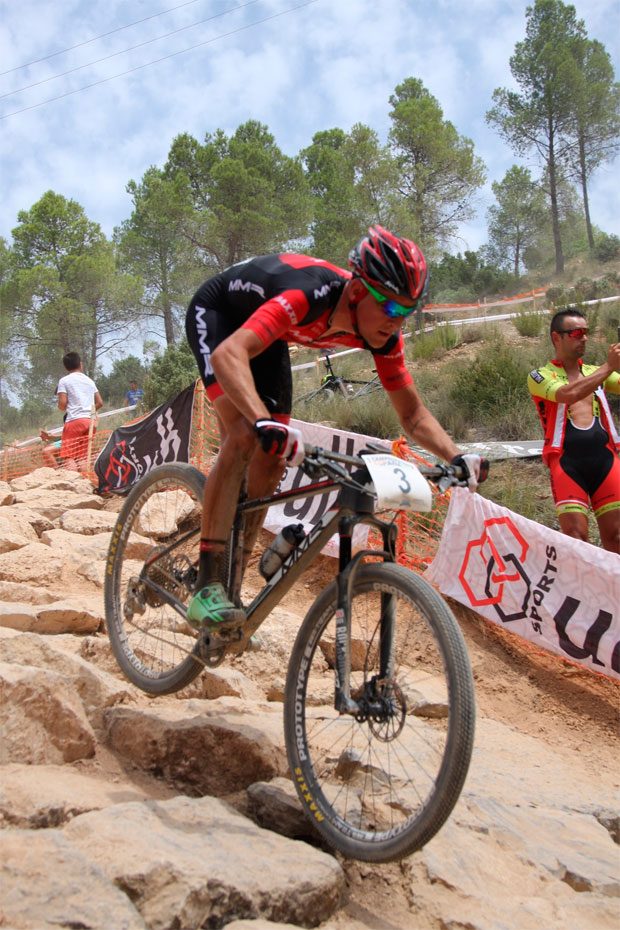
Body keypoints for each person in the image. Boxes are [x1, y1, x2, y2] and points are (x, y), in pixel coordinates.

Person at [185, 225, 489, 632]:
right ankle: (206, 585)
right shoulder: (307, 295)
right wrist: (260, 421)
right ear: (360, 290)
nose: (397, 323)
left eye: (408, 312)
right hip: (220, 314)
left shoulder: (383, 336)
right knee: (243, 436)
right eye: (392, 309)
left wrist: (456, 457)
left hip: (269, 333)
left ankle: (233, 577)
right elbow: (228, 354)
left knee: (272, 457)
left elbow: (412, 415)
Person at [527, 307, 620, 553]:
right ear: (557, 338)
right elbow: (568, 394)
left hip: (605, 459)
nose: (584, 338)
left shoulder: (594, 372)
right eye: (577, 332)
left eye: (586, 332)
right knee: (577, 539)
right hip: (567, 463)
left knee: (617, 537)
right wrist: (608, 367)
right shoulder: (539, 375)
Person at [56, 352, 103, 471]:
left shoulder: (64, 381)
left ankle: (72, 485)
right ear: (80, 365)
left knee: (69, 456)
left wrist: (63, 407)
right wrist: (88, 411)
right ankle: (84, 482)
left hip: (73, 421)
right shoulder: (89, 381)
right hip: (89, 422)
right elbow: (100, 402)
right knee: (82, 457)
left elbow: (62, 404)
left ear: (66, 367)